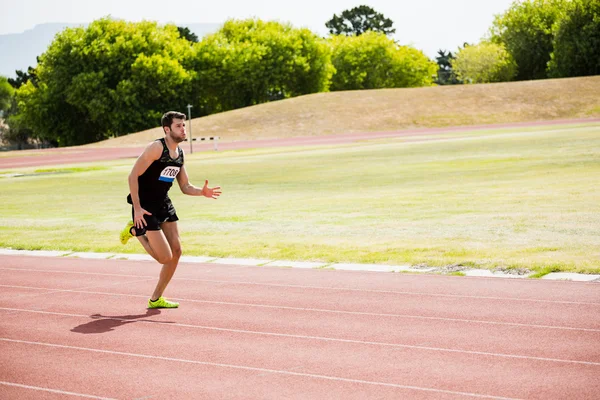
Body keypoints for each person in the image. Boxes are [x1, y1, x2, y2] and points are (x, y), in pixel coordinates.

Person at [119, 111, 221, 309]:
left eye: (184, 126)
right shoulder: (156, 148)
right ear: (167, 129)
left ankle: (155, 299)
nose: (183, 129)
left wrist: (202, 192)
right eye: (179, 126)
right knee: (165, 257)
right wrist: (137, 209)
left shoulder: (179, 154)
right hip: (145, 207)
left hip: (163, 203)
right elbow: (132, 177)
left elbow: (185, 187)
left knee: (177, 251)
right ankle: (135, 230)